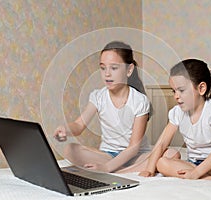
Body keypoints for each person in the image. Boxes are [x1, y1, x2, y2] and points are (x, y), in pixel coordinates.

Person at [139, 58, 211, 180]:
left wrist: (197, 173)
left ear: (201, 88)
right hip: (192, 163)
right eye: (174, 91)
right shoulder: (177, 112)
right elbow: (161, 144)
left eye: (181, 90)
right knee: (161, 163)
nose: (176, 96)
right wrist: (149, 169)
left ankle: (201, 175)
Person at [54, 41, 151, 173]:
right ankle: (125, 169)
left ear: (129, 70)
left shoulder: (140, 100)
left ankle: (117, 169)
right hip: (107, 155)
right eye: (103, 68)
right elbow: (79, 125)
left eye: (114, 68)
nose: (107, 74)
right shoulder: (98, 96)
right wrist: (65, 129)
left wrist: (107, 167)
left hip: (135, 156)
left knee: (170, 154)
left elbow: (134, 147)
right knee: (69, 150)